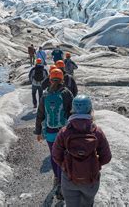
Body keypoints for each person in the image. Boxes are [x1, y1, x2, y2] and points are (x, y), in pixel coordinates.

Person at [52, 95, 112, 207]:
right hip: (90, 179)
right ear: (90, 110)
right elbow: (107, 157)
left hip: (69, 178)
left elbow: (56, 155)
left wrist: (65, 166)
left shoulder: (64, 132)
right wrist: (94, 164)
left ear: (73, 110)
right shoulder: (97, 131)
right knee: (87, 204)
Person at [35, 68, 73, 200]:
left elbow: (40, 114)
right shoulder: (66, 93)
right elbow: (72, 112)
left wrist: (38, 131)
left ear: (50, 79)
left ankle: (57, 177)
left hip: (50, 131)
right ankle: (64, 183)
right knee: (65, 156)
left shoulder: (45, 94)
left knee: (54, 155)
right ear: (62, 79)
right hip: (64, 131)